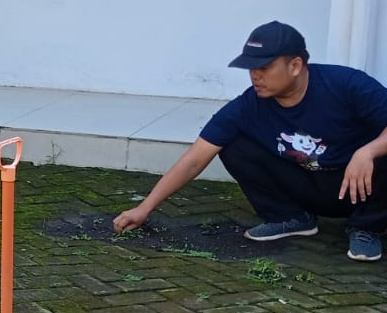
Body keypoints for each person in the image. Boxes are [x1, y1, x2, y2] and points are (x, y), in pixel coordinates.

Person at [114, 20, 387, 261]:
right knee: (232, 144)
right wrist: (144, 208)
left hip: (360, 188)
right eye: (250, 67)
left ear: (295, 65)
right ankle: (289, 218)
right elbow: (195, 160)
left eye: (264, 67)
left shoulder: (346, 84)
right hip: (308, 185)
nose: (255, 75)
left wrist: (367, 151)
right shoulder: (249, 105)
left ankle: (366, 228)